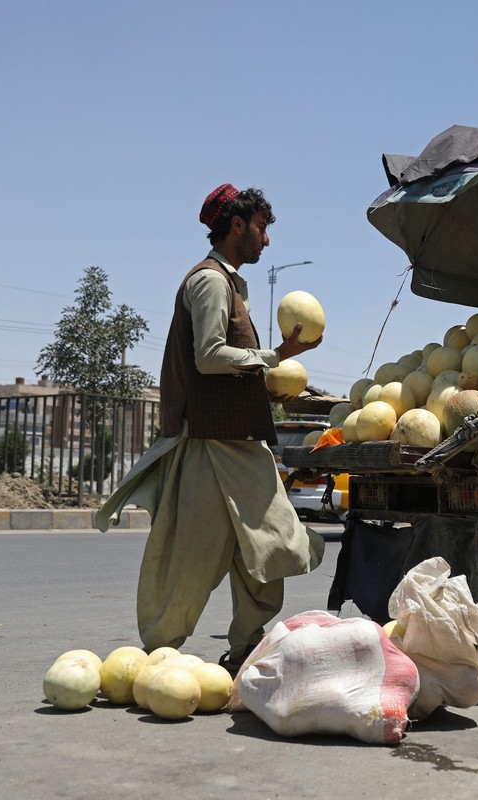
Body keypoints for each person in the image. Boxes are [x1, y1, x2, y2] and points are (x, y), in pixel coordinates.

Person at [97, 183, 324, 667]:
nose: (267, 241)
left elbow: (227, 366)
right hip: (209, 445)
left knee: (268, 550)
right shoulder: (210, 282)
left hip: (240, 444)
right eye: (261, 228)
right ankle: (157, 653)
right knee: (191, 556)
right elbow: (209, 356)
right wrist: (275, 357)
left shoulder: (228, 284)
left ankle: (246, 648)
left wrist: (274, 383)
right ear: (237, 225)